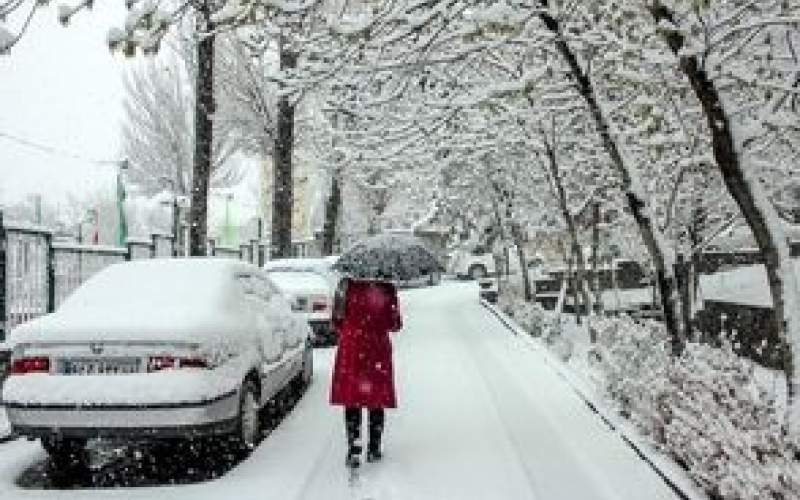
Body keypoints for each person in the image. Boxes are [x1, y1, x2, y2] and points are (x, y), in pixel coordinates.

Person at [330, 276, 403, 468]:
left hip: (352, 347)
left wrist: (353, 328)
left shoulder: (345, 285)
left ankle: (354, 449)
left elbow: (337, 321)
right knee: (376, 398)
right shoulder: (387, 288)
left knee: (352, 399)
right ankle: (374, 448)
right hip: (377, 348)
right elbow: (394, 324)